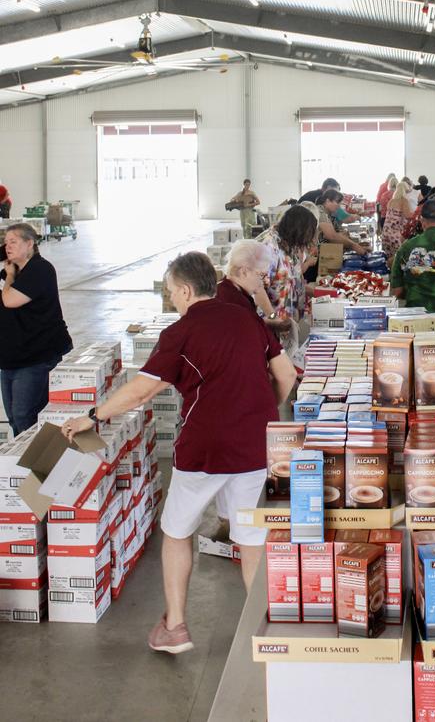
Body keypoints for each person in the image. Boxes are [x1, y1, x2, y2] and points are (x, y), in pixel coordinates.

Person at [61, 252, 296, 655]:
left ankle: (175, 626)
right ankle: (265, 626)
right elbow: (287, 374)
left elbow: (142, 390)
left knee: (177, 531)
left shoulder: (181, 332)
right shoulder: (248, 319)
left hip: (204, 447)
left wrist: (92, 416)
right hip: (258, 445)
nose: (172, 300)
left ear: (186, 289)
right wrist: (261, 414)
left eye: (172, 293)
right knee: (252, 537)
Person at [0, 224, 72, 435]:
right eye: (6, 241)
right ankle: (21, 463)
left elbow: (10, 300)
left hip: (36, 356)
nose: (7, 246)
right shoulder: (14, 268)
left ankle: (40, 462)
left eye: (14, 241)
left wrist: (9, 277)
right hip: (12, 357)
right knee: (14, 418)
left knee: (25, 415)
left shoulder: (39, 269)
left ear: (30, 243)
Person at [255, 205, 319, 333]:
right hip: (270, 326)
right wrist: (273, 317)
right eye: (309, 234)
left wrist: (320, 294)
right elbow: (256, 288)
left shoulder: (290, 243)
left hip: (287, 323)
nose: (310, 240)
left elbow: (291, 280)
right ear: (298, 230)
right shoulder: (268, 247)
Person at [382, 181, 413, 259]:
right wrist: (417, 212)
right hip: (396, 235)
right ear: (405, 191)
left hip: (386, 233)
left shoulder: (391, 201)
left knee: (389, 259)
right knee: (398, 259)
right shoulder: (403, 201)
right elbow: (408, 215)